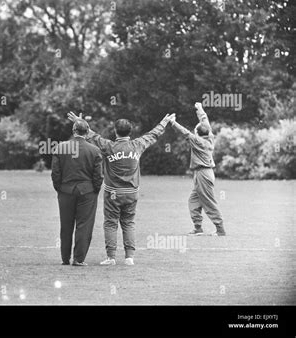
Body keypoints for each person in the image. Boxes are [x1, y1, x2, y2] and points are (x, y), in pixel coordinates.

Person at [67, 111, 175, 266]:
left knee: (111, 223)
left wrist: (80, 122)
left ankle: (111, 258)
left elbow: (92, 136)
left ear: (115, 131)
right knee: (129, 223)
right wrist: (164, 122)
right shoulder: (137, 145)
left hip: (113, 194)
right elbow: (153, 135)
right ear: (130, 132)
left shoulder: (108, 146)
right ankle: (129, 257)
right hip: (132, 193)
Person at [51, 119, 103, 266]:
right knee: (84, 225)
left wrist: (60, 188)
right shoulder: (94, 150)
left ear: (73, 131)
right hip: (87, 191)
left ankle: (65, 258)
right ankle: (79, 259)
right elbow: (98, 176)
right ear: (87, 133)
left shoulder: (61, 148)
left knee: (65, 225)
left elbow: (55, 173)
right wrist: (94, 190)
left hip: (66, 191)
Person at [170, 102, 226, 236]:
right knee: (193, 200)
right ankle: (198, 227)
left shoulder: (198, 141)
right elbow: (204, 120)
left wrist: (173, 122)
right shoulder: (209, 136)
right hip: (202, 173)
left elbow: (185, 133)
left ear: (197, 133)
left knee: (208, 201)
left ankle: (220, 228)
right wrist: (199, 109)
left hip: (203, 174)